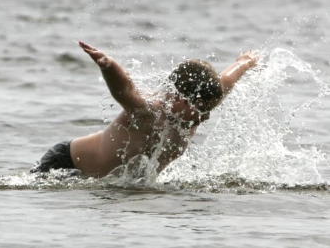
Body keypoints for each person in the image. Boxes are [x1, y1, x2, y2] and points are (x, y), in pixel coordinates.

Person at [31, 41, 259, 178]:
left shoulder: (199, 107)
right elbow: (125, 91)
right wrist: (109, 66)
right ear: (177, 97)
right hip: (66, 163)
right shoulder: (149, 112)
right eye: (201, 109)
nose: (206, 115)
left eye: (209, 108)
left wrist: (246, 61)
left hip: (99, 178)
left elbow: (227, 80)